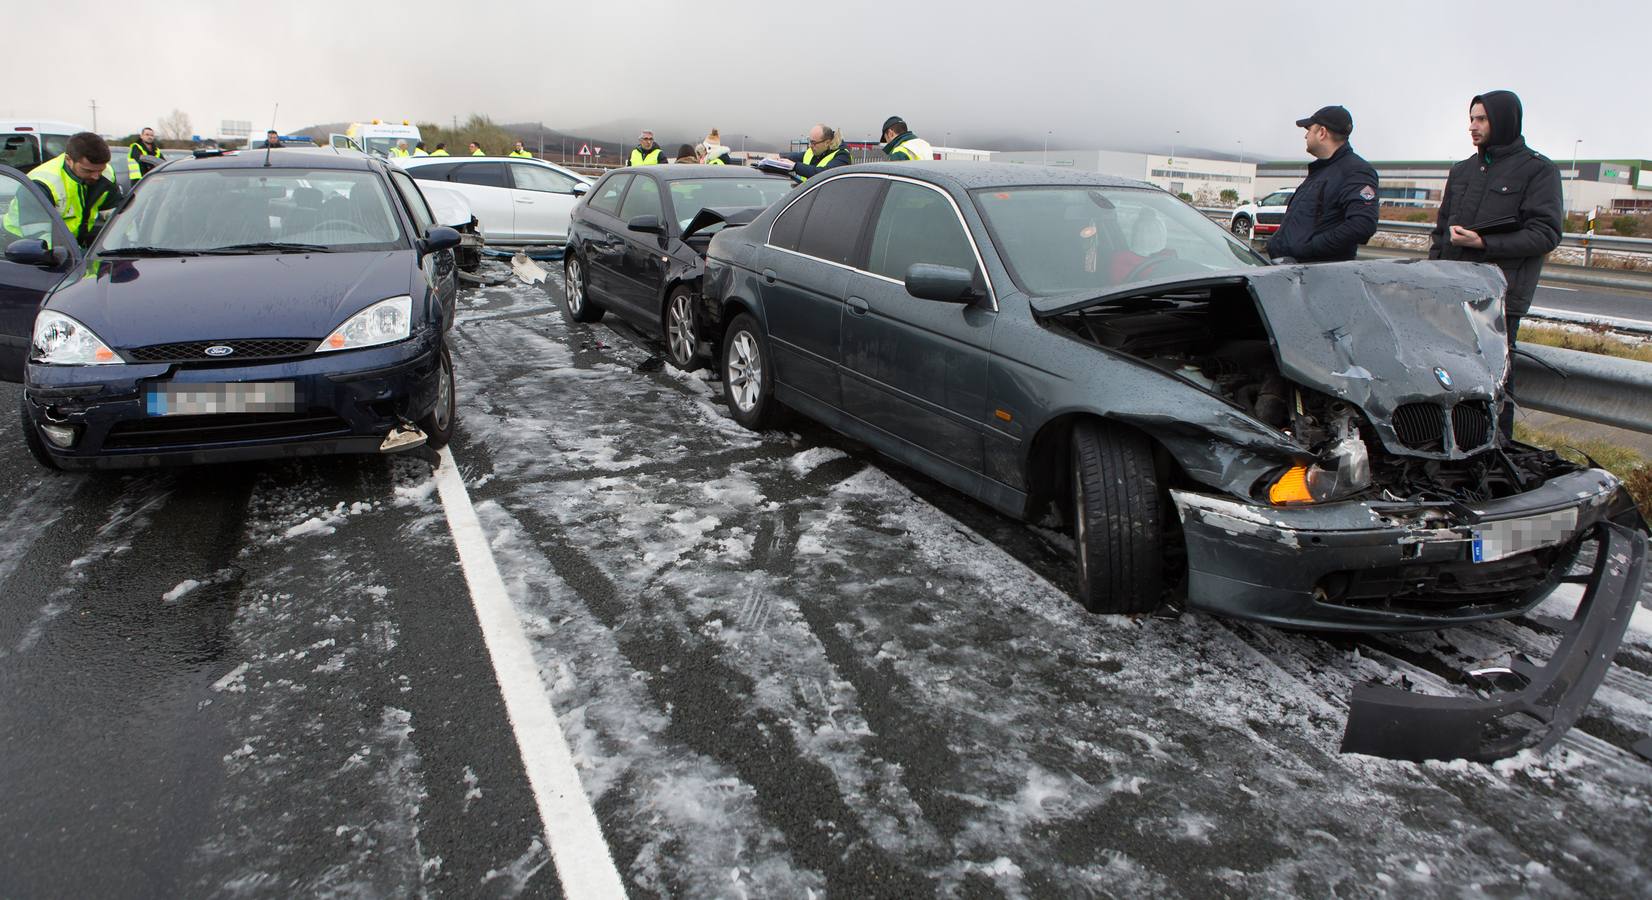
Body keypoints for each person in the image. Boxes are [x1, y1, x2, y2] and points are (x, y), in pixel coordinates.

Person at [1429, 90, 1563, 435]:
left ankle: (1494, 453)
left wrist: (1484, 243)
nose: (1472, 126)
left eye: (1481, 119)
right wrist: (1429, 278)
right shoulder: (1462, 171)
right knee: (1445, 379)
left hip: (1498, 300)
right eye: (1471, 119)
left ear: (1503, 120)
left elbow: (1545, 234)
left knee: (1494, 386)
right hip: (1449, 295)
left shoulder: (1538, 171)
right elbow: (1441, 233)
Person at [1265, 105, 1379, 263]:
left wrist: (1306, 249)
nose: (1305, 136)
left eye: (1309, 129)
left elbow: (1362, 225)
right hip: (1293, 271)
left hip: (1317, 277)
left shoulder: (1356, 171)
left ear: (1322, 133)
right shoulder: (1321, 171)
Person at [3, 132, 121, 248]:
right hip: (23, 245)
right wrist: (67, 256)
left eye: (101, 169)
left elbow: (116, 212)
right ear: (68, 160)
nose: (96, 176)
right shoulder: (42, 183)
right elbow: (40, 237)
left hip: (71, 244)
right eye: (88, 171)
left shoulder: (106, 173)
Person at [780, 124, 851, 182]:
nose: (810, 146)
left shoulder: (842, 156)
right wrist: (777, 157)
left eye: (814, 143)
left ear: (827, 142)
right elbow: (793, 157)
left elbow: (824, 174)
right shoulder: (813, 151)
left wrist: (795, 166)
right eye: (810, 142)